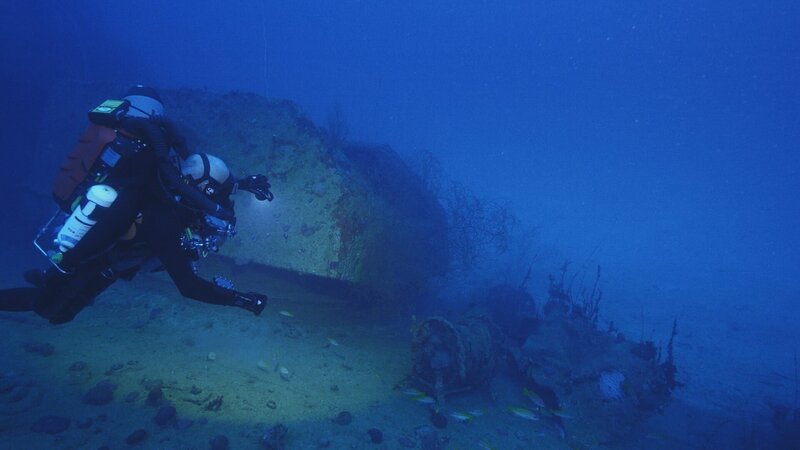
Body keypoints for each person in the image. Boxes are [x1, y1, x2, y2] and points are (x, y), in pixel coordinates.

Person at [0, 86, 273, 324]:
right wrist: (242, 300)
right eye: (217, 196)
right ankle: (47, 282)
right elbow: (189, 287)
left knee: (57, 297)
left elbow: (203, 179)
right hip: (98, 264)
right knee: (51, 311)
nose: (220, 203)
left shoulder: (159, 174)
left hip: (102, 248)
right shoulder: (163, 221)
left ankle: (48, 277)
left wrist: (243, 184)